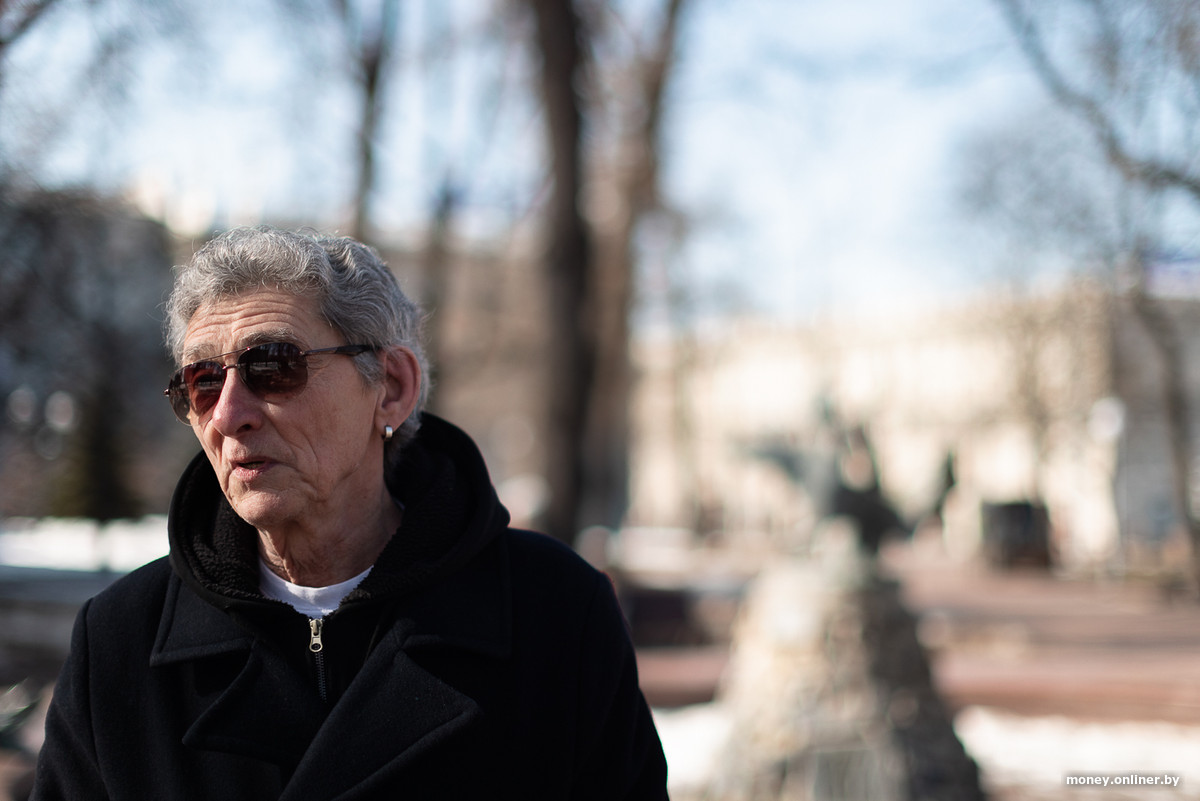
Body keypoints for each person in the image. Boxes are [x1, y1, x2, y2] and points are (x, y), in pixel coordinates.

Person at [31, 226, 669, 799]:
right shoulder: (120, 642)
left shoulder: (554, 614)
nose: (228, 414)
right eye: (203, 381)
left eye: (272, 366)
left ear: (391, 388)